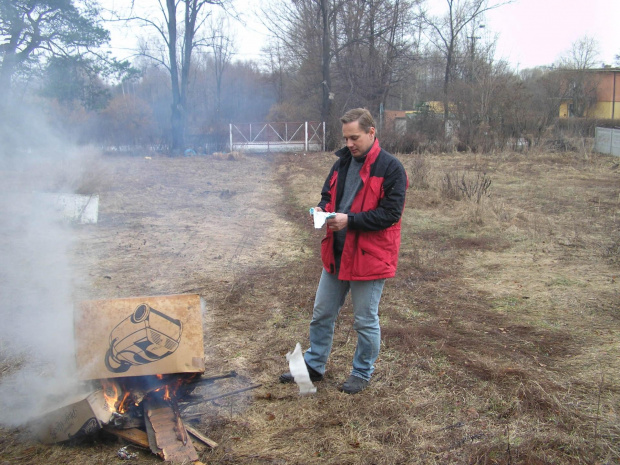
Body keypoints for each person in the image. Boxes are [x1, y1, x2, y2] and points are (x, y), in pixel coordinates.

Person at [280, 108, 408, 394]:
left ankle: (362, 372)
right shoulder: (341, 164)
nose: (349, 144)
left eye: (355, 138)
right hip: (337, 253)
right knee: (322, 313)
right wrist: (322, 210)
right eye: (346, 138)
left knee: (364, 320)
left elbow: (390, 214)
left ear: (371, 132)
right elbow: (328, 196)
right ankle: (314, 365)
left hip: (369, 257)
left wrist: (349, 220)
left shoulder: (391, 168)